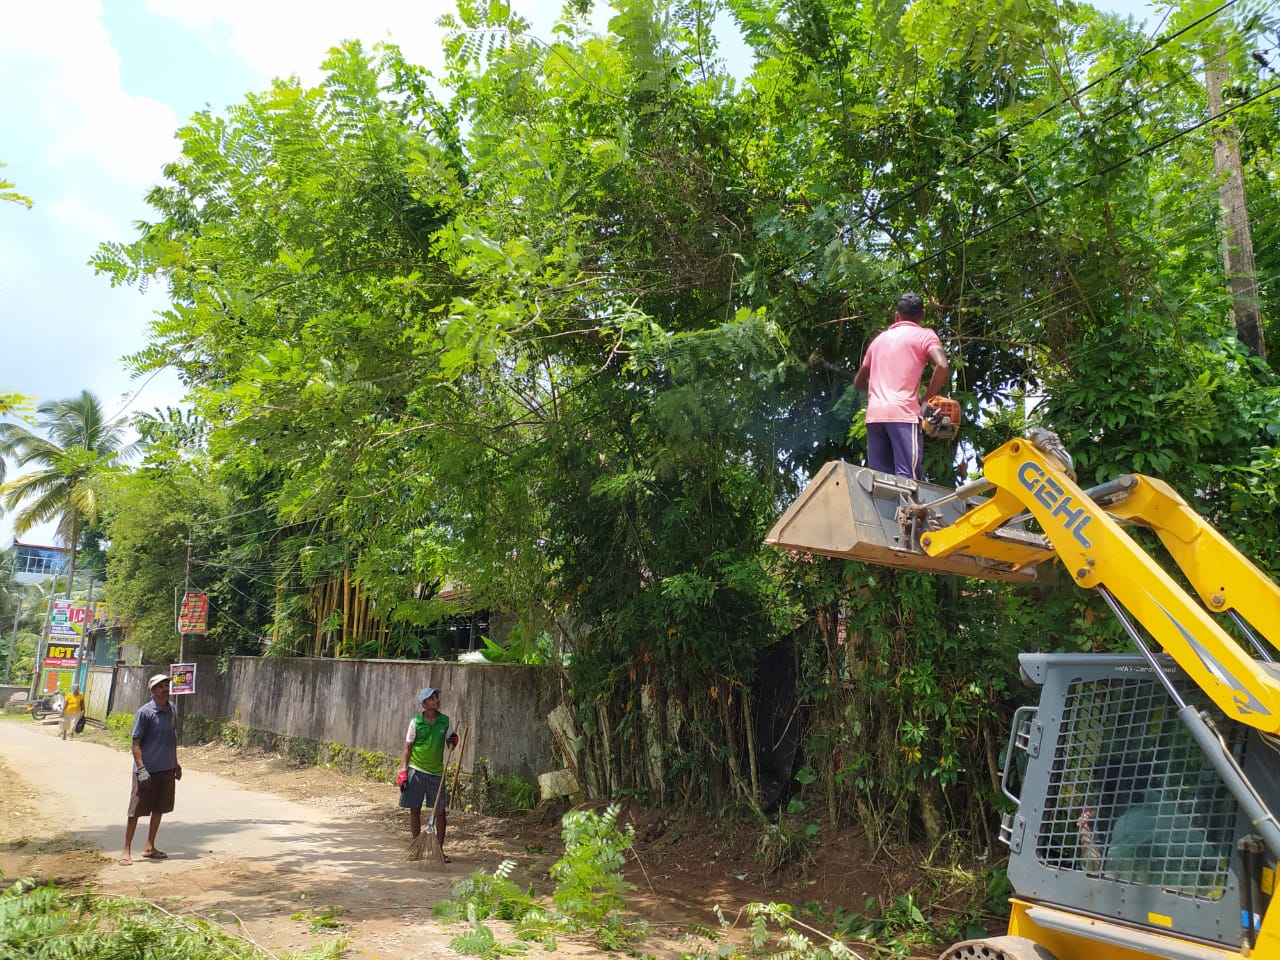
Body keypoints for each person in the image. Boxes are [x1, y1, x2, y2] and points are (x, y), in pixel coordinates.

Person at [853, 292, 949, 479]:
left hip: (875, 417)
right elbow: (942, 365)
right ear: (921, 315)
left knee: (880, 481)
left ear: (897, 316)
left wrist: (876, 386)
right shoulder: (924, 335)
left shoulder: (878, 341)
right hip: (903, 415)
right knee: (907, 480)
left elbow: (858, 382)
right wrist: (926, 398)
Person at [120, 674, 181, 865]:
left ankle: (149, 846)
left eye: (167, 685)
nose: (165, 689)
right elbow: (135, 743)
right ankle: (126, 850)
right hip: (147, 769)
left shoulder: (172, 710)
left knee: (159, 808)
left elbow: (173, 737)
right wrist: (141, 768)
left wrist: (176, 762)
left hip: (166, 768)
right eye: (161, 686)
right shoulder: (145, 713)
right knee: (136, 810)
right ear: (153, 691)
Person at [399, 686, 459, 861]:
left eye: (436, 698)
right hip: (416, 770)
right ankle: (416, 847)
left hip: (436, 773)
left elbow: (451, 742)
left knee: (440, 812)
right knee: (414, 809)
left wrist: (453, 741)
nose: (436, 701)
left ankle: (439, 850)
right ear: (424, 703)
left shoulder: (445, 721)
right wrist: (403, 771)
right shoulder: (415, 722)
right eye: (432, 699)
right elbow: (407, 748)